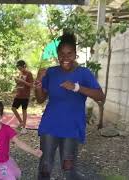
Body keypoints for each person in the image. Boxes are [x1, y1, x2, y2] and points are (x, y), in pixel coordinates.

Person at [34, 33, 105, 180]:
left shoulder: (84, 73)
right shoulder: (51, 72)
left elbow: (100, 96)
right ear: (57, 55)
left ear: (75, 55)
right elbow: (40, 99)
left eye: (69, 54)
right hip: (50, 126)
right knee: (45, 167)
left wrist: (77, 87)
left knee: (68, 169)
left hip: (72, 128)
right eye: (61, 54)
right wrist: (38, 82)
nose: (65, 58)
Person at [11, 60, 33, 134]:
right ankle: (21, 122)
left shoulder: (29, 74)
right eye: (18, 68)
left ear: (24, 66)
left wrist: (22, 81)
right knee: (13, 108)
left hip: (25, 95)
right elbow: (19, 83)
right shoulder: (20, 73)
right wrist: (16, 81)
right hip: (18, 94)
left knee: (24, 110)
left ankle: (24, 128)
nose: (19, 69)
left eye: (20, 68)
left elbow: (31, 85)